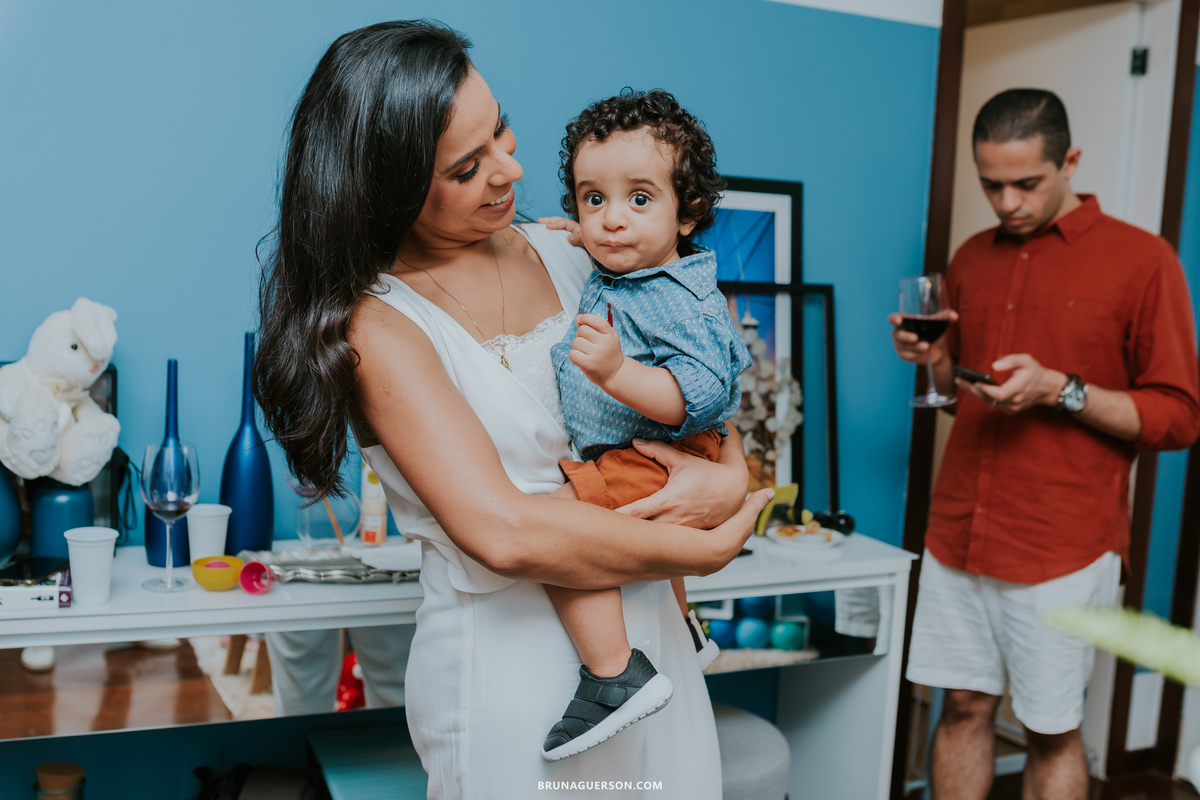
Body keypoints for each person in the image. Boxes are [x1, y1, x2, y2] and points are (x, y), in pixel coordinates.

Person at [253, 21, 772, 800]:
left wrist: (728, 487)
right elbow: (503, 528)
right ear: (390, 188)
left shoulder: (583, 251)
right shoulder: (378, 325)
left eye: (500, 128)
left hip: (659, 646)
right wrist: (697, 547)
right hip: (516, 675)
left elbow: (703, 407)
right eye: (468, 167)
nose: (512, 168)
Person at [890, 88, 1200, 800]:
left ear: (1071, 162)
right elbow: (959, 392)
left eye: (1026, 183)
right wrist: (929, 359)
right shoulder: (971, 257)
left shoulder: (1143, 261)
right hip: (960, 530)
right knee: (962, 706)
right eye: (991, 184)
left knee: (1050, 728)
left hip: (1062, 545)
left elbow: (1180, 417)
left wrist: (1062, 388)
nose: (1007, 202)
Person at [538, 90, 751, 761]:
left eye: (638, 199)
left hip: (649, 448)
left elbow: (703, 392)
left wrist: (617, 373)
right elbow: (611, 236)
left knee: (558, 531)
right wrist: (576, 233)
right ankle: (685, 633)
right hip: (637, 446)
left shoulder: (679, 299)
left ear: (687, 212)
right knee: (653, 544)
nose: (610, 222)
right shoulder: (632, 266)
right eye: (592, 198)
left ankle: (612, 674)